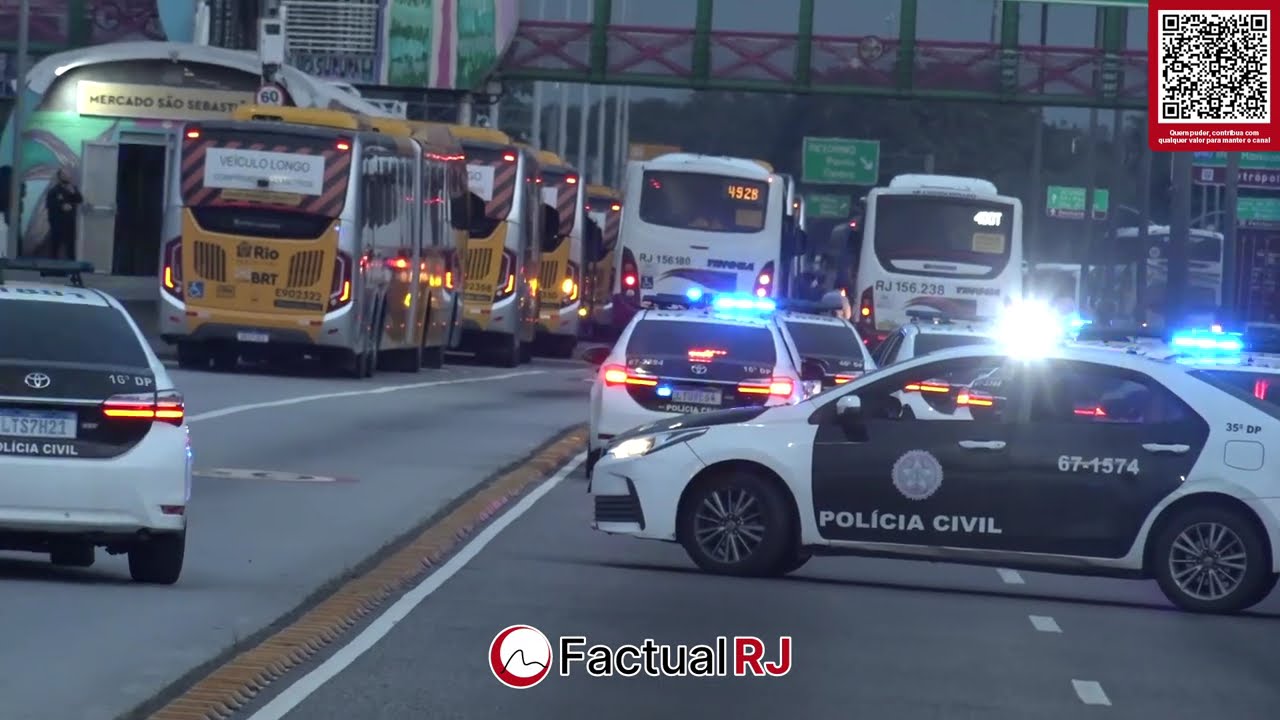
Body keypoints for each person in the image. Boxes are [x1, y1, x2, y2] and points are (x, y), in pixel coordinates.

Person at [46, 169, 83, 260]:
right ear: (59, 177)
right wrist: (61, 207)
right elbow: (49, 204)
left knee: (71, 247)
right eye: (64, 174)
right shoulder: (54, 191)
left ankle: (73, 270)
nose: (67, 176)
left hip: (70, 222)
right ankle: (52, 268)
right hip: (57, 223)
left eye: (68, 174)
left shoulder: (72, 188)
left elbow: (80, 200)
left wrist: (74, 192)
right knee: (55, 246)